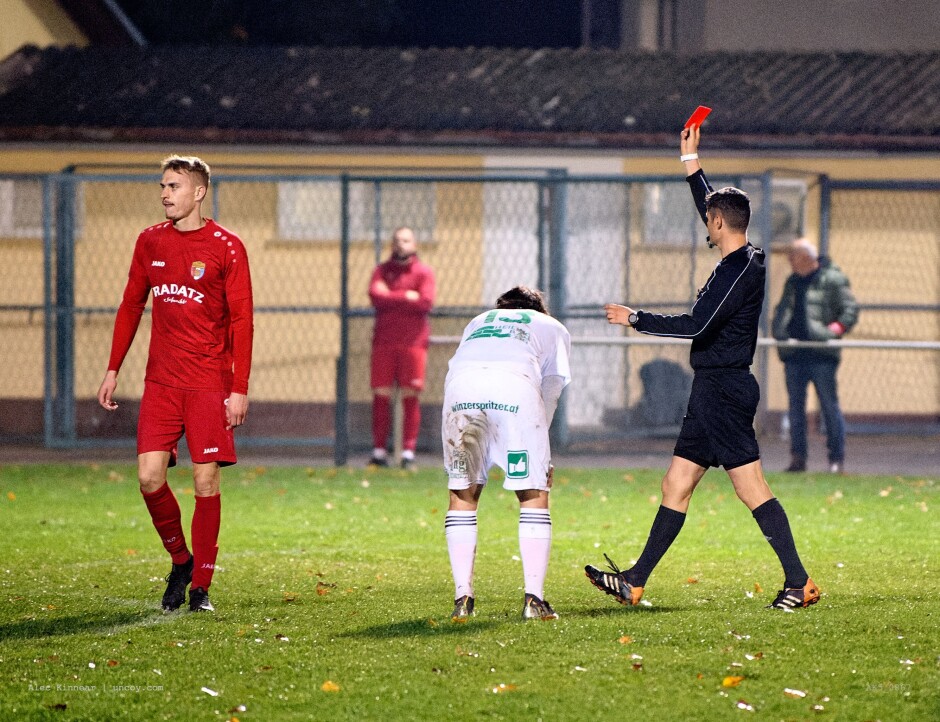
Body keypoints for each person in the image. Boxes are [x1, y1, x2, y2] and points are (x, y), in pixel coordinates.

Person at [585, 125, 820, 611]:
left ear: (717, 223)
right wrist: (690, 164)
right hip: (711, 389)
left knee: (751, 487)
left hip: (725, 391)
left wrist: (635, 318)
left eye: (707, 218)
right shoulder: (741, 253)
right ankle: (634, 581)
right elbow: (713, 208)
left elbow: (696, 325)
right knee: (677, 483)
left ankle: (799, 582)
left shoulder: (739, 272)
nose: (705, 222)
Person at [97, 155, 253, 613]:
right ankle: (181, 561)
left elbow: (243, 320)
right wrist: (112, 368)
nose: (165, 193)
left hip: (208, 383)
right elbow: (130, 305)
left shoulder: (227, 247)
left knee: (205, 482)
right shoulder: (149, 241)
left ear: (199, 192)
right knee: (148, 478)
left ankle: (201, 587)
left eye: (175, 186)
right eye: (163, 186)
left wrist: (238, 387)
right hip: (161, 383)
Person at [442, 286, 571, 622]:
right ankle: (534, 600)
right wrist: (542, 450)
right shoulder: (550, 326)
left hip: (461, 393)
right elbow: (552, 388)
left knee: (463, 494)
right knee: (532, 493)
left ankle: (462, 599)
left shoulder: (479, 320)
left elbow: (456, 368)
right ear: (538, 309)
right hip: (514, 392)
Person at [772, 239, 859, 474]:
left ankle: (836, 460)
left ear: (806, 257)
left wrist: (834, 331)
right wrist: (779, 330)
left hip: (822, 355)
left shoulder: (832, 279)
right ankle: (797, 459)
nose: (790, 260)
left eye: (793, 255)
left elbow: (850, 309)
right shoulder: (792, 282)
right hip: (795, 354)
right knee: (795, 409)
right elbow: (783, 310)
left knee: (829, 406)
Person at [367, 226, 436, 470]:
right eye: (397, 240)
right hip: (384, 341)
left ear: (414, 244)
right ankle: (378, 453)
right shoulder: (381, 271)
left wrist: (394, 296)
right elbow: (375, 295)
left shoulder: (424, 273)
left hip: (414, 343)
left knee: (410, 394)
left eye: (406, 240)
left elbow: (426, 301)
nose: (401, 245)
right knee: (381, 395)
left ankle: (408, 453)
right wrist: (408, 296)